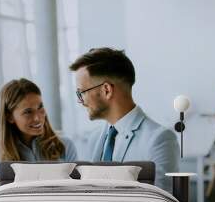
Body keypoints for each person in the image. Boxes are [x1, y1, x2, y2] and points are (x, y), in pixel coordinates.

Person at [69, 47, 179, 192]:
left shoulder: (159, 139)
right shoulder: (94, 138)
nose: (80, 101)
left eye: (81, 92)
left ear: (106, 90)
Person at [0, 78, 78, 181]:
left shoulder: (65, 145)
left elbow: (78, 191)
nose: (38, 118)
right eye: (28, 112)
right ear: (10, 117)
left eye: (40, 107)